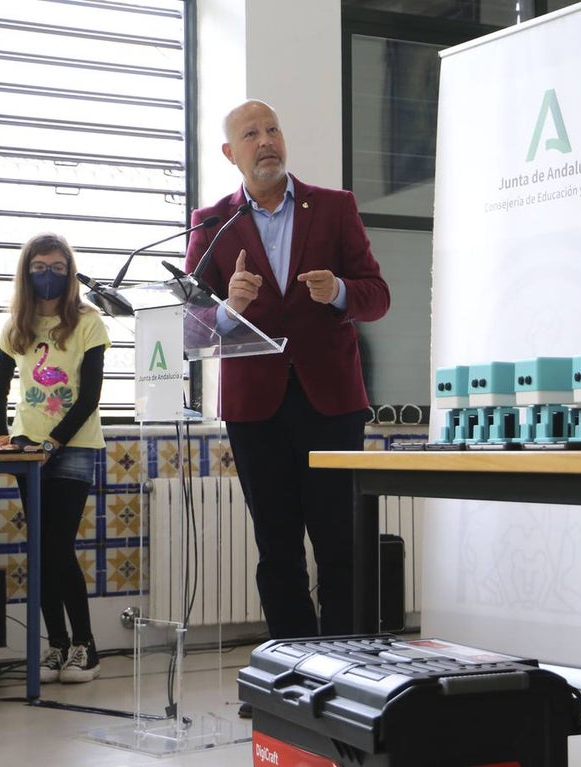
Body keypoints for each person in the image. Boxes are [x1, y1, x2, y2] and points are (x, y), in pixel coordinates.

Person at [184, 99, 390, 649]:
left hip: (332, 404)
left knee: (340, 544)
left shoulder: (335, 207)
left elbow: (378, 296)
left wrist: (340, 291)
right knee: (277, 547)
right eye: (251, 133)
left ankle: (348, 672)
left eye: (273, 128)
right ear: (231, 153)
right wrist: (229, 308)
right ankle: (294, 674)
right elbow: (191, 324)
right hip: (256, 410)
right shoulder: (212, 223)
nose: (267, 140)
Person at [0, 233, 110, 684]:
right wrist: (2, 437)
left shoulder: (89, 322)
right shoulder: (15, 326)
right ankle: (56, 646)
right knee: (41, 551)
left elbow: (90, 396)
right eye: (39, 266)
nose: (48, 275)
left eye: (57, 266)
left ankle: (87, 646)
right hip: (27, 449)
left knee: (58, 545)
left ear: (70, 271)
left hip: (73, 445)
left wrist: (53, 442)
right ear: (27, 271)